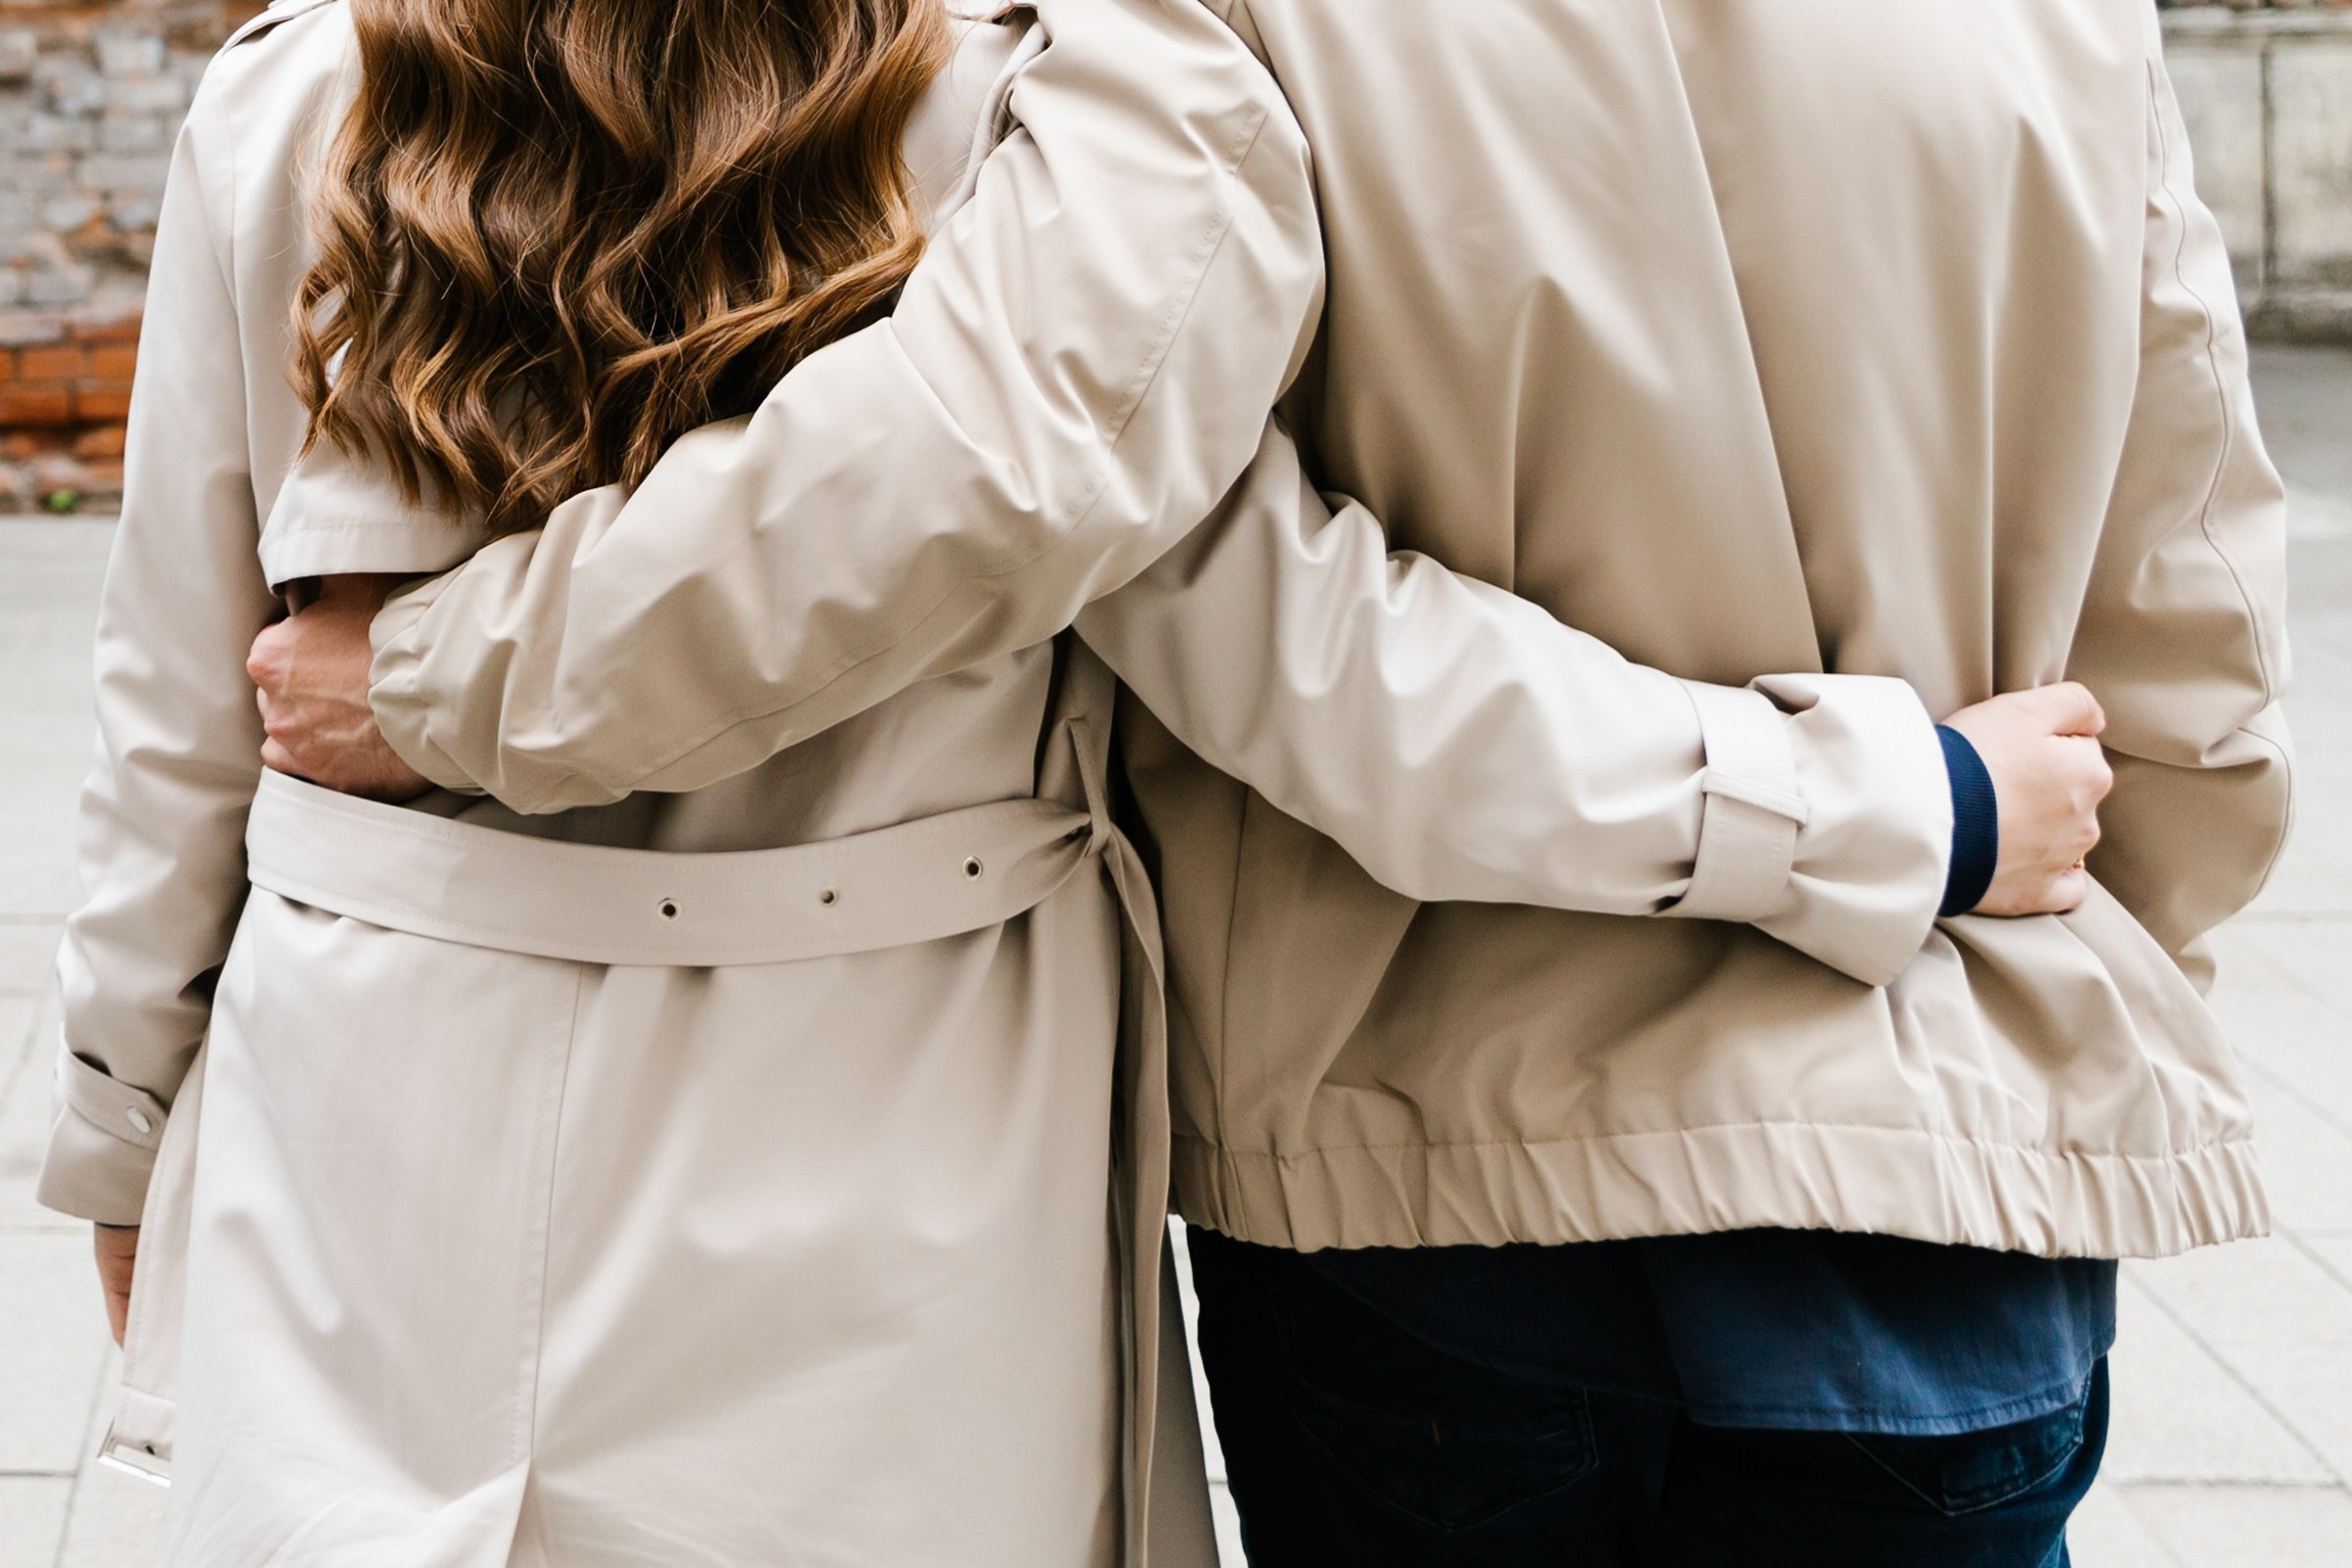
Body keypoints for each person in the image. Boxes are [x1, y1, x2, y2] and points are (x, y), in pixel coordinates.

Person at [60, 3, 2132, 1568]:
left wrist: (128, 1122)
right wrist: (1906, 819)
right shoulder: (1033, 139)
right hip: (895, 1156)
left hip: (366, 1117)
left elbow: (174, 706)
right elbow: (1296, 675)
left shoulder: (287, 98)